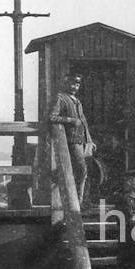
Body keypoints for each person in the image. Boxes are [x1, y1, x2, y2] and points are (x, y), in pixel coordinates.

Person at [48, 72, 95, 202]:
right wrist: (70, 120)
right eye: (72, 83)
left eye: (77, 84)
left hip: (82, 141)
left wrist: (90, 140)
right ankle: (77, 201)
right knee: (81, 170)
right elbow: (52, 117)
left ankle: (79, 200)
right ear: (66, 83)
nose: (74, 86)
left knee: (83, 171)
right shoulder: (61, 98)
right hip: (71, 140)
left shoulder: (77, 101)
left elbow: (84, 122)